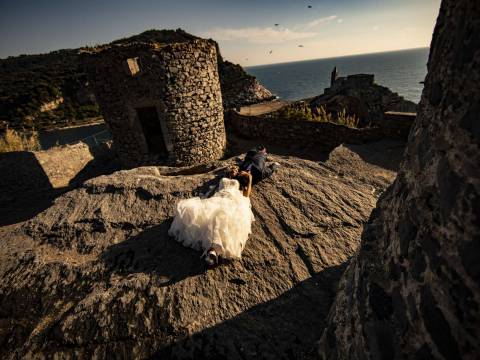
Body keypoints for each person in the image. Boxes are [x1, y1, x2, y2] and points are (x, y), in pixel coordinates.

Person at [168, 171, 254, 266]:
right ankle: (213, 250)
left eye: (237, 170)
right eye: (234, 169)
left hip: (232, 200)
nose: (235, 170)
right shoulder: (224, 177)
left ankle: (213, 250)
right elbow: (214, 191)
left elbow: (246, 195)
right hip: (218, 198)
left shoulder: (240, 182)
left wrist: (249, 178)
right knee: (210, 215)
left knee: (221, 216)